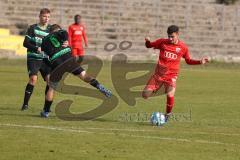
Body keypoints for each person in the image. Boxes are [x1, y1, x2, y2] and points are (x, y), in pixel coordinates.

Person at [40, 24, 111, 118]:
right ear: (57, 30)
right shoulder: (59, 33)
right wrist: (65, 39)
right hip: (69, 59)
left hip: (57, 63)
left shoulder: (44, 40)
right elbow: (64, 33)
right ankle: (100, 87)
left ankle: (46, 111)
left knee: (51, 88)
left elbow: (45, 55)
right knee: (84, 75)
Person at [143, 25, 209, 122]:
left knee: (170, 94)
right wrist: (148, 41)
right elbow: (149, 46)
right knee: (145, 95)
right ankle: (155, 89)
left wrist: (199, 61)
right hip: (158, 75)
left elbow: (188, 60)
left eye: (172, 36)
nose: (170, 39)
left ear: (177, 34)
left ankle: (167, 115)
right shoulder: (162, 42)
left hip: (171, 76)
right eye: (169, 36)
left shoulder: (183, 47)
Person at [21, 8, 53, 111]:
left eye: (48, 17)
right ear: (39, 16)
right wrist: (36, 48)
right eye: (44, 16)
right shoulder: (32, 28)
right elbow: (25, 43)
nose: (46, 19)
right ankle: (25, 104)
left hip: (45, 59)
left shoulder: (51, 30)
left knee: (50, 81)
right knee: (33, 79)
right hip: (33, 58)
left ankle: (46, 107)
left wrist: (65, 42)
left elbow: (57, 41)